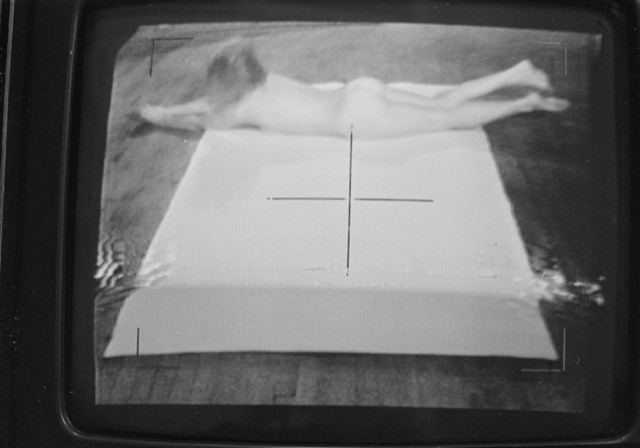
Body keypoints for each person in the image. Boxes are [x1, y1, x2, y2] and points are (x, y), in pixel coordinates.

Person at [139, 42, 570, 140]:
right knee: (440, 103)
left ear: (228, 87)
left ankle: (524, 101)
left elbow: (205, 116)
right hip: (359, 91)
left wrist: (162, 115)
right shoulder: (267, 80)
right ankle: (517, 73)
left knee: (445, 119)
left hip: (356, 119)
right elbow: (210, 101)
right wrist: (163, 110)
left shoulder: (237, 110)